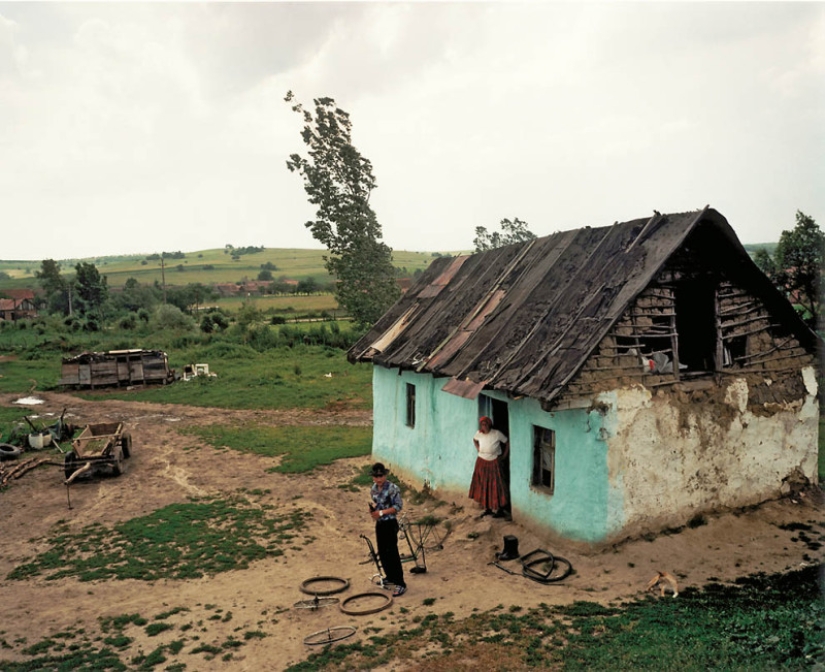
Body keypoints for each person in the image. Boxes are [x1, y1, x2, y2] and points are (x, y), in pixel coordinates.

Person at [369, 462, 406, 597]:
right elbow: (376, 503)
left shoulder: (392, 488)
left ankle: (400, 583)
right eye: (376, 476)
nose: (379, 479)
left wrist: (381, 513)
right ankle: (389, 576)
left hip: (390, 522)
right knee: (382, 552)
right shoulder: (373, 489)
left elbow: (397, 506)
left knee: (392, 552)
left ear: (385, 475)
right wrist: (373, 511)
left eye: (381, 476)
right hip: (380, 524)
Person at [468, 416, 509, 518]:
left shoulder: (496, 434)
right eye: (482, 424)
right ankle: (487, 508)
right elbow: (474, 440)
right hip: (482, 461)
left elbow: (507, 442)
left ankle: (500, 510)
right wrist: (478, 449)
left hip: (494, 461)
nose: (484, 426)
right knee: (483, 484)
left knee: (496, 484)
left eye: (486, 424)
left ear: (490, 424)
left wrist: (504, 456)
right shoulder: (479, 434)